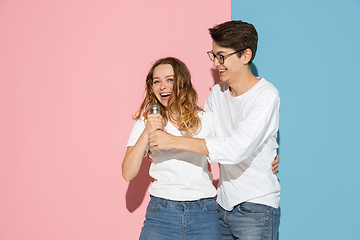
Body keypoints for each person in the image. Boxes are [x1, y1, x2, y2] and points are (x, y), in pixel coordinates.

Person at [149, 20, 281, 240]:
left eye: (222, 56)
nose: (216, 63)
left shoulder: (266, 95)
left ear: (245, 56)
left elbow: (236, 148)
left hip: (256, 207)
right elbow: (201, 135)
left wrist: (171, 141)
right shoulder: (218, 94)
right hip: (222, 206)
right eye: (214, 56)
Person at [122, 57, 222, 240]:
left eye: (170, 79)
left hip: (204, 213)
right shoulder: (145, 122)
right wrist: (147, 131)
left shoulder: (206, 119)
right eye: (156, 81)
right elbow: (128, 172)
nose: (163, 87)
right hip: (162, 213)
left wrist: (267, 159)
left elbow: (230, 150)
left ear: (182, 82)